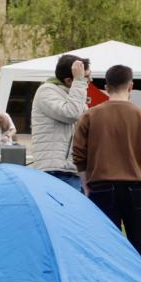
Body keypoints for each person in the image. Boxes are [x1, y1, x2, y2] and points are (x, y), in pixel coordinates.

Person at [73, 63, 141, 275]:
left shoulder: (90, 116)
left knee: (102, 248)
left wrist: (86, 185)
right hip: (136, 188)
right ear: (131, 85)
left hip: (100, 187)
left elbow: (79, 156)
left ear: (106, 86)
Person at [30, 54, 89, 192]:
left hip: (71, 170)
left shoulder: (73, 94)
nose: (88, 81)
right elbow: (72, 114)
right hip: (55, 170)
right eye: (85, 77)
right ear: (69, 80)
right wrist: (79, 82)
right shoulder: (46, 91)